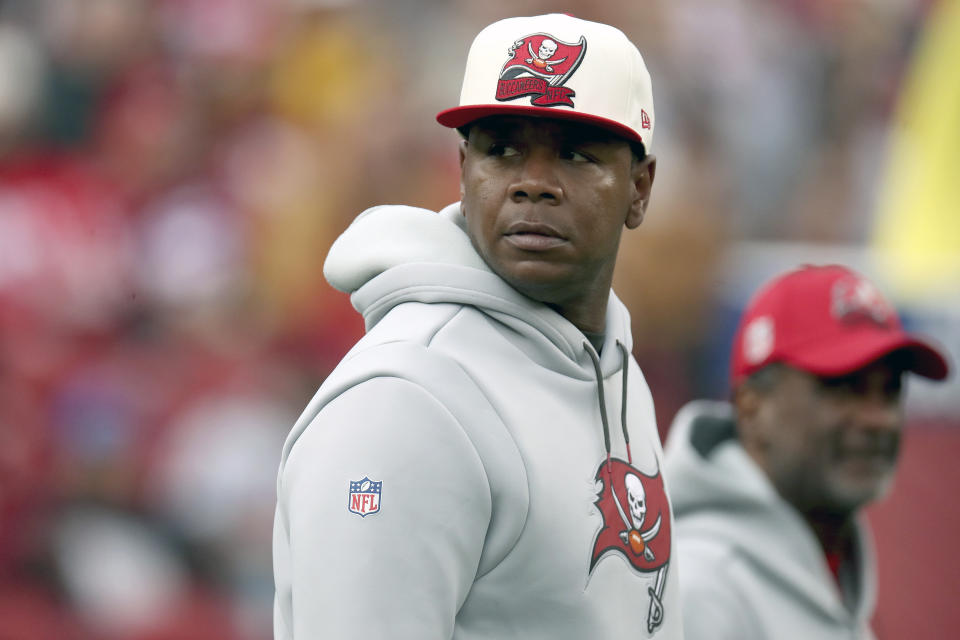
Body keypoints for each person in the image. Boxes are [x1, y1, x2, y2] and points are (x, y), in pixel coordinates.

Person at [272, 13, 684, 639]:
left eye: (576, 154)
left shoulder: (615, 367)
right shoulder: (405, 403)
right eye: (502, 150)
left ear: (641, 187)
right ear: (464, 171)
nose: (533, 184)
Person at [663, 264, 950, 639]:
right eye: (844, 387)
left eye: (890, 391)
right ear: (753, 407)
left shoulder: (834, 575)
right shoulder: (706, 590)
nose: (877, 419)